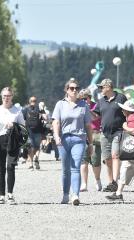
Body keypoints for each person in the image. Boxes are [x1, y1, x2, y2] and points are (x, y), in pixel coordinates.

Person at [52, 78, 93, 206]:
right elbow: (56, 122)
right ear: (66, 90)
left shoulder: (83, 105)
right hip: (64, 139)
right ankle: (65, 194)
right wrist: (56, 136)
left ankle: (75, 195)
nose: (74, 90)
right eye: (71, 88)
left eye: (76, 88)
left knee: (75, 166)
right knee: (65, 170)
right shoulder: (60, 104)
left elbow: (88, 125)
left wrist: (90, 143)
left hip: (79, 139)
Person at [0, 87, 25, 205]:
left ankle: (10, 194)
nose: (6, 98)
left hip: (13, 141)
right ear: (1, 97)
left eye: (8, 96)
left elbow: (23, 127)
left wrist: (14, 125)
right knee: (1, 169)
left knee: (10, 167)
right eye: (4, 96)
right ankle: (1, 195)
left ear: (12, 96)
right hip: (0, 141)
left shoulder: (17, 111)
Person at [93, 79, 127, 192]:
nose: (100, 89)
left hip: (119, 131)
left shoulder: (121, 98)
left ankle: (115, 182)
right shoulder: (101, 101)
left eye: (101, 87)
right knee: (107, 159)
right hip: (105, 133)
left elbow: (128, 112)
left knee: (115, 156)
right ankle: (110, 181)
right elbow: (95, 116)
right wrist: (86, 109)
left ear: (108, 87)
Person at [79, 89, 102, 192]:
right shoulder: (78, 106)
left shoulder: (95, 106)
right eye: (82, 98)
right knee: (84, 161)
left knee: (95, 161)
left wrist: (89, 109)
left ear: (89, 97)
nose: (84, 100)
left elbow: (95, 118)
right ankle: (84, 183)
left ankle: (97, 180)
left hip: (94, 135)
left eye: (85, 98)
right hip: (83, 136)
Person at [22, 96, 47, 170]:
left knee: (32, 147)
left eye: (34, 100)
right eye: (33, 101)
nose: (33, 102)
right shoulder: (38, 108)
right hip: (35, 131)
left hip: (31, 131)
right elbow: (46, 118)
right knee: (35, 147)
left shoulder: (26, 109)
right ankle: (34, 159)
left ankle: (32, 163)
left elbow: (22, 120)